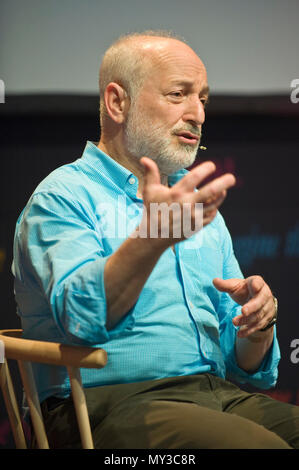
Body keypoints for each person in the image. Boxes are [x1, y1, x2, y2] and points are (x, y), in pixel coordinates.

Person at [12, 30, 299, 449]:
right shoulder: (62, 197)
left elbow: (244, 366)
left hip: (217, 397)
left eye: (203, 98)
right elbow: (81, 320)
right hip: (105, 409)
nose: (198, 114)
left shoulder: (196, 206)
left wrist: (257, 325)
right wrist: (152, 238)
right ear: (117, 102)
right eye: (178, 94)